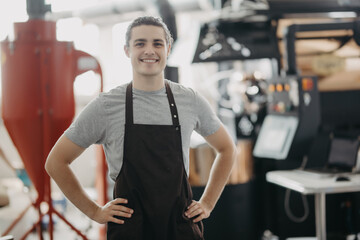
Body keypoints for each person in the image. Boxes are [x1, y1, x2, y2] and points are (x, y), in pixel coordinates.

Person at [45, 16, 236, 240]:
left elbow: (227, 149)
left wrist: (208, 203)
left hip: (179, 227)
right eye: (140, 43)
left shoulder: (189, 100)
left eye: (157, 43)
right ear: (127, 50)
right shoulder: (107, 105)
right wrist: (94, 211)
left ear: (168, 48)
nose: (149, 50)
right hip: (130, 230)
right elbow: (56, 162)